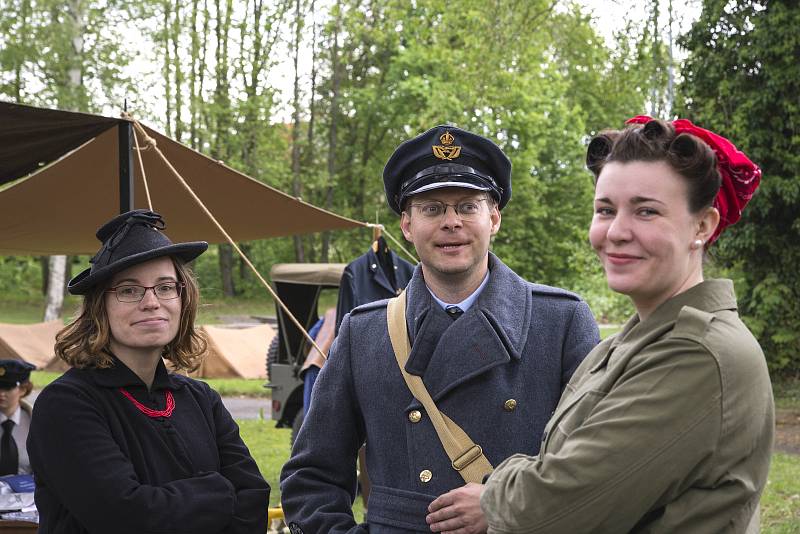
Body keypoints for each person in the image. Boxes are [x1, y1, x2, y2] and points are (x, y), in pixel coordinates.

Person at [280, 125, 600, 533]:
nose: (452, 222)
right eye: (432, 209)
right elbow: (311, 476)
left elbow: (597, 467)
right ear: (407, 226)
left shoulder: (561, 322)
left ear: (494, 218)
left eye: (468, 206)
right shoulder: (365, 332)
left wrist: (509, 504)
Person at [468, 117, 774, 533]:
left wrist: (492, 495)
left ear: (702, 226)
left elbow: (552, 512)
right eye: (605, 210)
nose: (616, 231)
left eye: (646, 211)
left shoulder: (697, 353)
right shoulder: (636, 338)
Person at [27, 210, 270, 534]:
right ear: (100, 307)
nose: (152, 302)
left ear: (183, 299)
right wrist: (220, 491)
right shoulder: (67, 404)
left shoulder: (201, 400)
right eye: (129, 290)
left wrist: (167, 505)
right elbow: (126, 517)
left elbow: (253, 500)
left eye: (165, 287)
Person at [0, 359, 36, 475]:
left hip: (28, 492)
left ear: (23, 389)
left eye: (8, 387)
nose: (1, 393)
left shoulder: (35, 423)